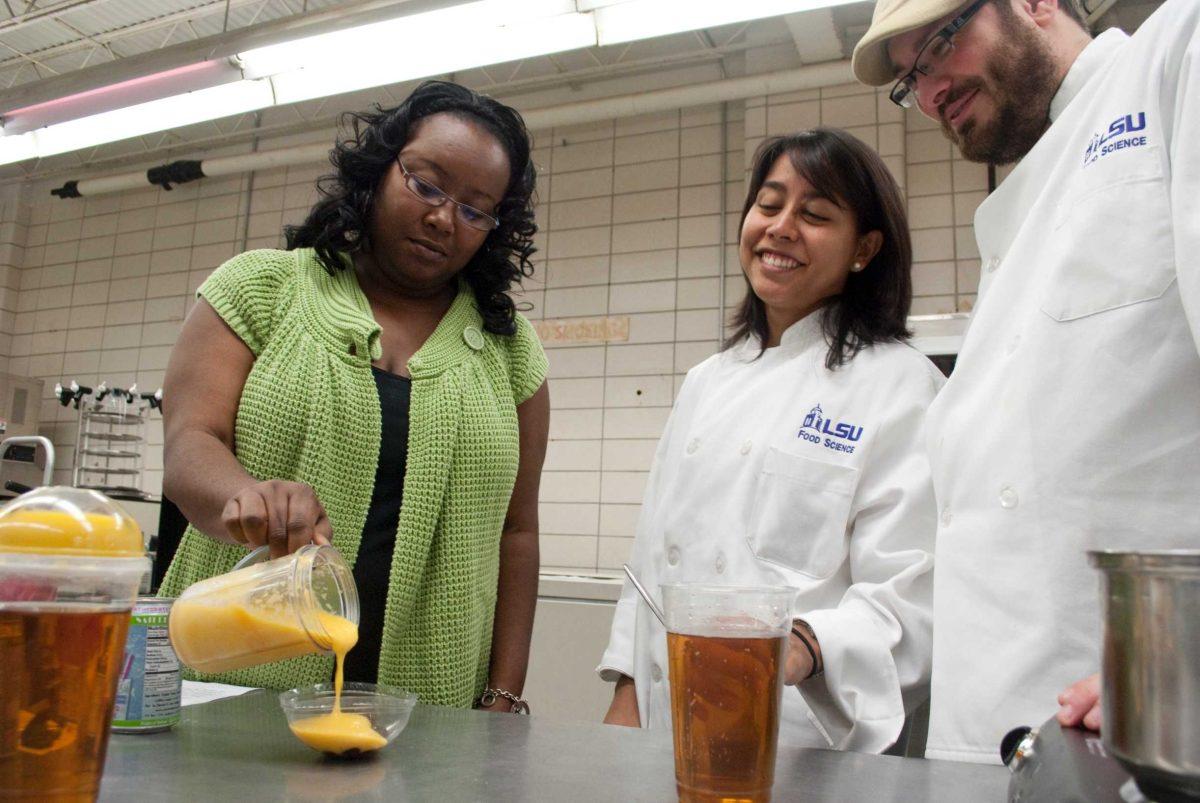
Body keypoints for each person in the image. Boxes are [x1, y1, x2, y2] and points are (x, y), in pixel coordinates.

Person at [852, 0, 1200, 763]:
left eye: (940, 43)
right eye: (912, 80)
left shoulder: (1175, 55)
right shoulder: (1019, 221)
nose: (932, 88)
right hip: (986, 743)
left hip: (1149, 728)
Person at [158, 80, 550, 712]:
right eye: (426, 184)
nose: (444, 218)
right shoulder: (261, 290)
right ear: (378, 169)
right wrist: (245, 495)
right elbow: (190, 444)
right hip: (233, 682)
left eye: (477, 209)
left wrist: (504, 693)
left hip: (429, 707)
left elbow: (518, 532)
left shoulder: (512, 353)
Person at [598, 128, 944, 752]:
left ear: (864, 248)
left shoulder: (902, 387)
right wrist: (627, 686)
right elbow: (650, 556)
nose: (781, 228)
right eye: (769, 204)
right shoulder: (707, 382)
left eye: (814, 215)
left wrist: (804, 648)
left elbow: (910, 594)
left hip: (795, 738)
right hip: (664, 725)